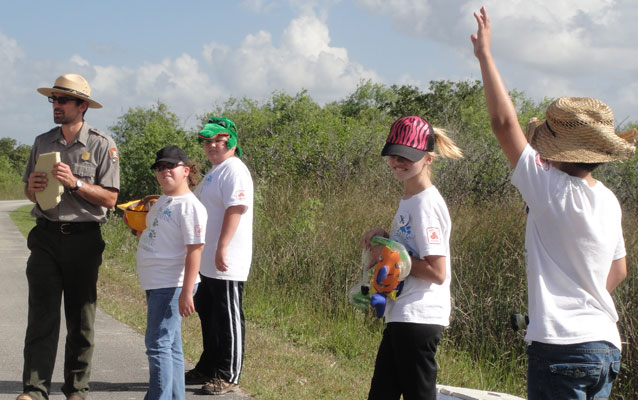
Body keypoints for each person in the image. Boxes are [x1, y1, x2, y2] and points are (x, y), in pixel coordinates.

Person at [471, 7, 636, 399]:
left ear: (555, 150)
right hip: (605, 347)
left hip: (561, 346)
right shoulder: (609, 201)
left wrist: (486, 56)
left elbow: (504, 124)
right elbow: (620, 270)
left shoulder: (548, 188)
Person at [19, 74, 120, 400]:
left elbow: (110, 200)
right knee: (41, 319)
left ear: (83, 105)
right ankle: (34, 391)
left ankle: (76, 390)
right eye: (53, 99)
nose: (56, 105)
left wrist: (76, 183)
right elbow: (30, 194)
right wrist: (33, 190)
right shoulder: (42, 142)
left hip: (83, 240)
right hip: (46, 237)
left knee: (81, 319)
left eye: (62, 100)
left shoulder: (102, 145)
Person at [361, 115, 463, 400]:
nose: (398, 161)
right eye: (394, 154)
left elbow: (436, 271)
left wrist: (389, 252)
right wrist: (384, 238)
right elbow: (407, 249)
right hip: (402, 313)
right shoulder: (410, 199)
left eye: (408, 156)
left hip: (419, 316)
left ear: (428, 159)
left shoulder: (426, 204)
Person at [129, 145, 207, 400]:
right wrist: (139, 229)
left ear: (185, 170)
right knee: (171, 346)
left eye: (170, 166)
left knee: (157, 345)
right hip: (156, 281)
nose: (164, 172)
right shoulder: (164, 200)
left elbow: (195, 250)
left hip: (172, 283)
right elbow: (159, 234)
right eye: (160, 168)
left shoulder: (190, 206)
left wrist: (186, 292)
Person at [185, 117, 254, 395]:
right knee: (209, 315)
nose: (212, 145)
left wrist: (223, 246)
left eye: (218, 140)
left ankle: (229, 373)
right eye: (208, 141)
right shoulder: (216, 170)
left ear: (232, 142)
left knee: (228, 317)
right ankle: (209, 366)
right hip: (207, 258)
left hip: (226, 260)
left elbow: (236, 208)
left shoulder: (234, 169)